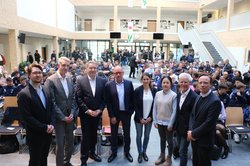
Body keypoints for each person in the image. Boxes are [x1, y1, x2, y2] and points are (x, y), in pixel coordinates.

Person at [17, 64, 55, 166]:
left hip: (48, 132)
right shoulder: (23, 94)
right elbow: (26, 117)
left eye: (39, 72)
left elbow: (51, 108)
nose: (38, 75)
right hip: (35, 134)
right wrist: (44, 127)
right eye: (34, 73)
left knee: (44, 159)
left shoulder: (46, 89)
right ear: (29, 75)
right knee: (35, 161)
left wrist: (51, 124)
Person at [45, 57, 77, 166]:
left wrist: (72, 113)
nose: (65, 67)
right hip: (59, 119)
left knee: (70, 143)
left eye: (68, 65)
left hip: (70, 117)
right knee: (60, 144)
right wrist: (62, 117)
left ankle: (66, 161)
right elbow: (51, 102)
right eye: (63, 65)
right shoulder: (50, 80)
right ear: (58, 65)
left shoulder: (69, 78)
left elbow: (73, 98)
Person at [76, 61, 106, 166]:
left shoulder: (102, 81)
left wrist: (99, 110)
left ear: (97, 69)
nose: (93, 70)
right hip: (85, 114)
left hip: (97, 114)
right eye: (90, 68)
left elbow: (104, 98)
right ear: (86, 69)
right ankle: (83, 159)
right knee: (85, 137)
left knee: (94, 135)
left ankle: (92, 153)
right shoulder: (80, 80)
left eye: (94, 68)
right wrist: (88, 111)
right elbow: (78, 98)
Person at [188, 75, 221, 166]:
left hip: (205, 141)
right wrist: (191, 130)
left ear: (210, 84)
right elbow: (192, 115)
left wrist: (193, 134)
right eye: (200, 82)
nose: (202, 85)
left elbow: (209, 123)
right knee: (195, 162)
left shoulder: (215, 101)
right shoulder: (198, 96)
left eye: (205, 83)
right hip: (194, 138)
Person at [105, 65, 134, 163]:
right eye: (116, 73)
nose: (118, 74)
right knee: (113, 135)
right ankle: (113, 153)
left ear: (123, 73)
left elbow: (132, 99)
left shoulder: (129, 84)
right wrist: (112, 115)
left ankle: (127, 152)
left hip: (126, 114)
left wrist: (131, 112)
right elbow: (108, 102)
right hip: (115, 114)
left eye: (120, 72)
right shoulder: (109, 85)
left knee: (127, 134)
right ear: (113, 74)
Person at [153, 76, 177, 166]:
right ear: (161, 84)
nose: (165, 84)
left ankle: (169, 158)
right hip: (159, 122)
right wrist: (155, 120)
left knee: (169, 141)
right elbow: (154, 108)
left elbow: (174, 111)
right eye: (164, 82)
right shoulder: (157, 94)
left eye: (167, 83)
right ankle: (162, 156)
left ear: (170, 84)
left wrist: (171, 124)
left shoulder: (173, 95)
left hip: (168, 123)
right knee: (162, 139)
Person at [134, 72, 157, 163]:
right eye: (144, 79)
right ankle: (139, 153)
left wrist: (151, 117)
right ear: (141, 80)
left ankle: (144, 152)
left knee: (147, 136)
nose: (146, 81)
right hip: (139, 118)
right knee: (139, 136)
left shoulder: (154, 91)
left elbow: (155, 105)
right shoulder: (137, 90)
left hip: (149, 119)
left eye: (147, 79)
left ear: (150, 80)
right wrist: (140, 118)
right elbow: (135, 105)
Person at [175, 73, 197, 166]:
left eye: (185, 82)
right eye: (181, 82)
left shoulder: (194, 97)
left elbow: (194, 116)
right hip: (179, 128)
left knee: (182, 151)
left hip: (187, 129)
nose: (183, 84)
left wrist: (190, 130)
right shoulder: (179, 94)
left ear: (189, 83)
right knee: (180, 149)